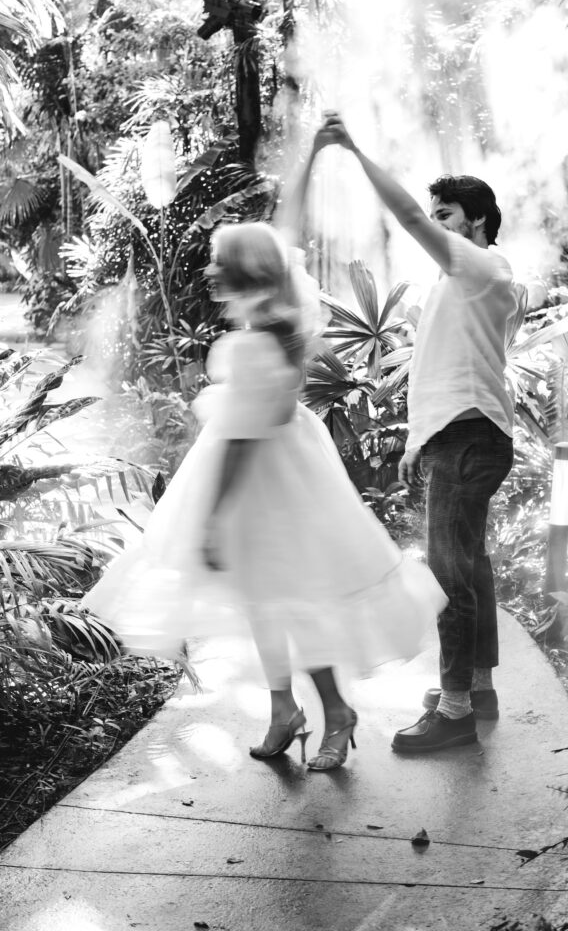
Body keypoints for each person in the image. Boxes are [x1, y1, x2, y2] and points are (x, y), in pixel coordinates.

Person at [80, 132, 447, 772]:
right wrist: (315, 155)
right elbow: (287, 229)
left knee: (291, 599)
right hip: (290, 462)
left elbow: (240, 449)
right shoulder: (284, 306)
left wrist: (215, 518)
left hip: (266, 480)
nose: (210, 271)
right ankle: (286, 709)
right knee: (262, 598)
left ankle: (335, 711)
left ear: (244, 274)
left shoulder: (258, 341)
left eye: (221, 264)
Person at [320, 113, 527, 753]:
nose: (434, 223)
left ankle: (457, 710)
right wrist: (418, 440)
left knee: (449, 576)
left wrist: (354, 152)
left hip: (469, 445)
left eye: (446, 214)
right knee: (472, 569)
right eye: (436, 213)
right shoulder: (472, 280)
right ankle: (477, 687)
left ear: (477, 220)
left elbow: (407, 218)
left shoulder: (480, 270)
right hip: (461, 439)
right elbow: (453, 370)